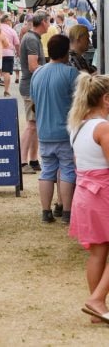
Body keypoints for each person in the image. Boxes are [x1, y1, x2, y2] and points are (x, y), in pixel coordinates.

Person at [66, 74, 109, 324]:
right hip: (102, 193)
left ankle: (97, 307)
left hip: (85, 193)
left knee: (97, 252)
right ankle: (96, 300)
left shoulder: (77, 125)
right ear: (105, 99)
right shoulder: (103, 128)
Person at [31, 35, 79, 224]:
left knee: (47, 171)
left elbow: (33, 102)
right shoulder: (71, 73)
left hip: (44, 132)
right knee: (67, 171)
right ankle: (67, 212)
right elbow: (79, 103)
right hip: (65, 132)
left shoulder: (38, 73)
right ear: (66, 51)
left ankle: (45, 212)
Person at [20, 10, 49, 174]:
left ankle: (33, 159)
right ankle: (23, 162)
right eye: (49, 21)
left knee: (35, 125)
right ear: (43, 22)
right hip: (31, 87)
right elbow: (33, 66)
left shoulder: (32, 38)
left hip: (33, 86)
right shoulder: (31, 39)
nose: (49, 24)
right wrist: (49, 71)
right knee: (31, 125)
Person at [0, 14, 21, 92]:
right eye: (10, 21)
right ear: (7, 21)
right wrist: (18, 52)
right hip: (8, 53)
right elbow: (17, 43)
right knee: (6, 72)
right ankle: (6, 90)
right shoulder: (11, 30)